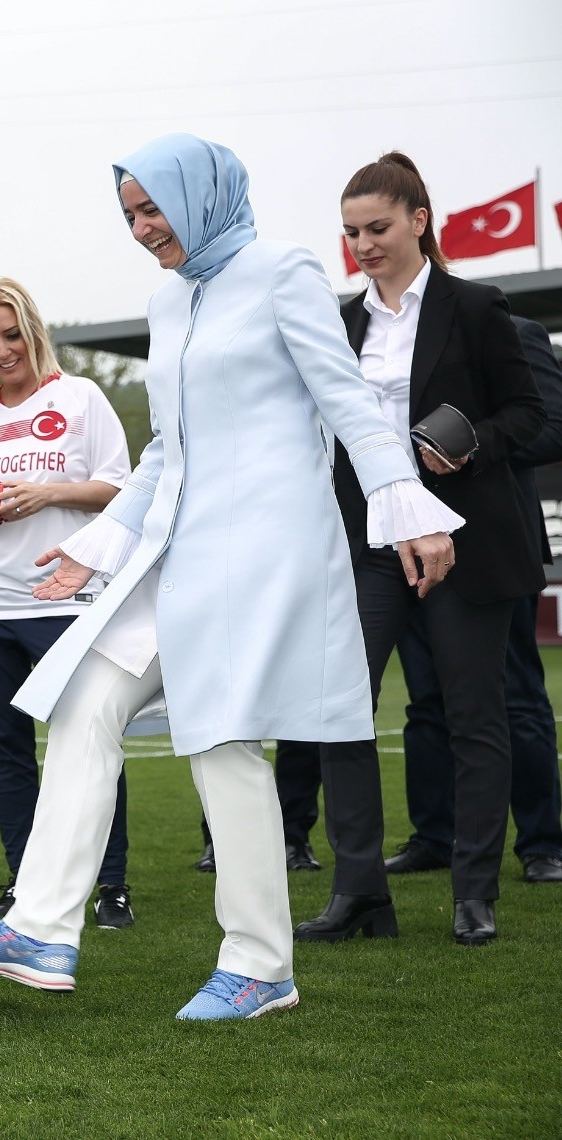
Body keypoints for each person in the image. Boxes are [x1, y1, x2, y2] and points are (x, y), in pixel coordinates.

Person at [0, 134, 459, 1020]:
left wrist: (409, 507)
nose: (141, 228)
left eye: (152, 208)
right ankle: (43, 927)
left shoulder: (283, 271)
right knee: (86, 703)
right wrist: (100, 541)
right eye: (129, 214)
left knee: (221, 740)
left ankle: (260, 966)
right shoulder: (169, 300)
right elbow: (167, 448)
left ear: (200, 194)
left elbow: (348, 400)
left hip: (261, 553)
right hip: (175, 553)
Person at [300, 153, 544, 948]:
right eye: (351, 232)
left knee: (474, 717)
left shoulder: (475, 307)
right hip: (369, 542)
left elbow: (528, 413)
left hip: (464, 542)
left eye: (377, 227)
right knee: (340, 710)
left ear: (418, 221)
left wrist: (466, 444)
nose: (363, 244)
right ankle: (359, 894)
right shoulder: (340, 324)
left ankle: (475, 894)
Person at [0, 278, 133, 926]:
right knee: (6, 749)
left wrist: (48, 493)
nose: (2, 351)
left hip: (64, 598)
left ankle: (110, 883)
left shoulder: (80, 397)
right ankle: (25, 882)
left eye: (11, 335)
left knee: (88, 739)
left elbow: (121, 488)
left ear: (33, 332)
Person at [388, 315, 562, 885]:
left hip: (494, 548)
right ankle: (433, 838)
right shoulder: (383, 344)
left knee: (516, 697)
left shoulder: (509, 328)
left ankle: (542, 844)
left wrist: (462, 445)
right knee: (425, 702)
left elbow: (552, 426)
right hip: (408, 545)